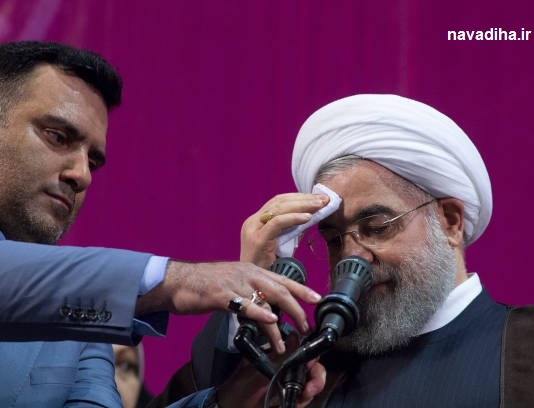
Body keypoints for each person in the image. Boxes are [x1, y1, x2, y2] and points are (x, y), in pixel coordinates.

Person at [153, 94, 534, 407]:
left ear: (450, 221)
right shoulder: (311, 364)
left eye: (376, 227)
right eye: (334, 239)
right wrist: (248, 294)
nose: (353, 257)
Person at [0, 40, 323, 407]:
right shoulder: (88, 301)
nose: (82, 174)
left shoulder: (81, 330)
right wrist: (182, 279)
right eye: (57, 137)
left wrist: (230, 400)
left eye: (93, 161)